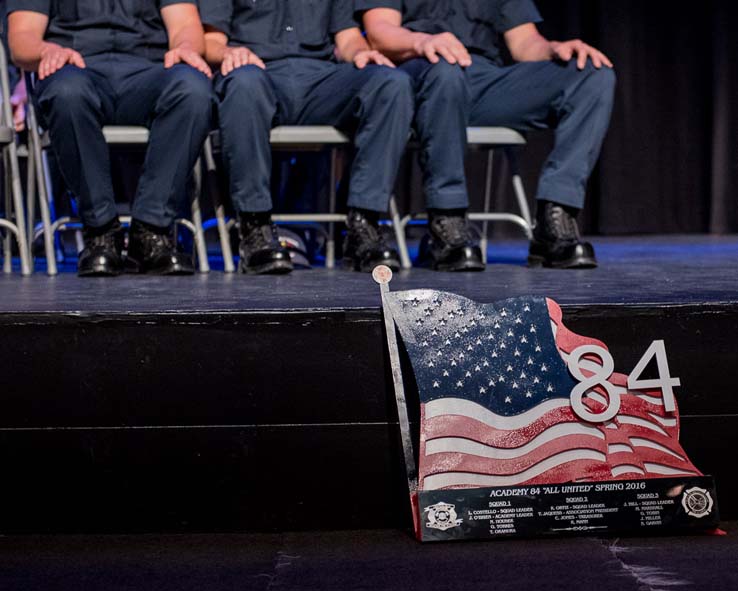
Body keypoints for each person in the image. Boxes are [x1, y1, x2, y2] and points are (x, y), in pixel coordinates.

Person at [358, 0, 616, 268]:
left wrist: (553, 48)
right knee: (446, 72)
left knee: (592, 75)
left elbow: (524, 43)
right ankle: (447, 220)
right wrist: (422, 41)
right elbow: (379, 33)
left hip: (481, 79)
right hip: (419, 72)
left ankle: (555, 218)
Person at [200, 0, 419, 274]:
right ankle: (254, 228)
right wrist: (229, 52)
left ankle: (363, 226)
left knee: (391, 83)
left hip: (321, 78)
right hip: (257, 71)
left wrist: (362, 53)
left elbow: (348, 38)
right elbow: (209, 41)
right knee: (243, 85)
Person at [7, 0, 215, 276]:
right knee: (67, 93)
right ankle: (101, 232)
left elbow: (186, 24)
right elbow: (22, 37)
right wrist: (48, 50)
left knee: (193, 89)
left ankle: (151, 231)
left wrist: (186, 46)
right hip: (75, 64)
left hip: (149, 68)